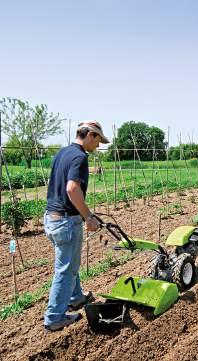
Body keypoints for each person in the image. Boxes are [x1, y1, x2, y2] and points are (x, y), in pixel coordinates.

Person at [43, 120, 110, 332]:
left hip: (51, 217)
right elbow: (72, 189)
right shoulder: (80, 157)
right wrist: (88, 216)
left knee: (70, 263)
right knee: (65, 269)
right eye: (98, 140)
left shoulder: (62, 153)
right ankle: (55, 317)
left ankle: (76, 297)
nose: (98, 146)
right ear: (90, 135)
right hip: (66, 220)